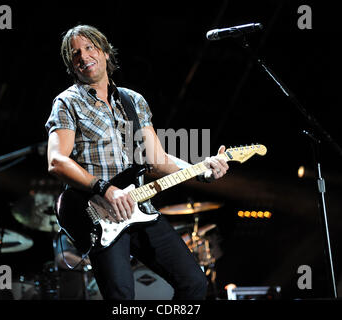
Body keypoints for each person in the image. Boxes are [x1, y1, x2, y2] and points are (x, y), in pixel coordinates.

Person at [45, 24, 229, 300]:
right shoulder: (67, 102)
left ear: (106, 52)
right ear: (71, 65)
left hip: (140, 207)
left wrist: (202, 169)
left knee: (194, 283)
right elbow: (57, 161)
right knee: (121, 297)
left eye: (90, 47)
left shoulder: (133, 101)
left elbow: (157, 160)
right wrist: (105, 188)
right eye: (75, 54)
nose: (83, 56)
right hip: (99, 213)